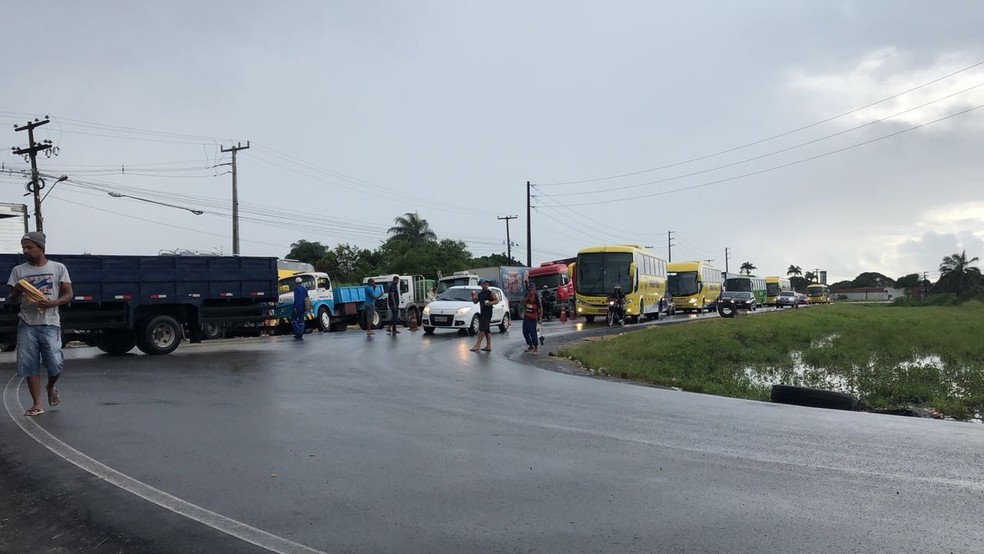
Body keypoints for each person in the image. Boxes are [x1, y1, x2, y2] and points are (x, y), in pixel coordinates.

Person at [6, 232, 73, 417]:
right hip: (27, 322)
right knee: (29, 364)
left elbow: (68, 294)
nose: (25, 251)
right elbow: (10, 300)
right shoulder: (18, 271)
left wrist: (53, 303)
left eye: (29, 247)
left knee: (55, 363)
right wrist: (17, 291)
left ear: (41, 248)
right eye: (23, 248)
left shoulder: (58, 268)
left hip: (50, 322)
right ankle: (37, 404)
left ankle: (50, 386)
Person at [470, 281, 499, 352]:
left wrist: (491, 303)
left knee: (481, 329)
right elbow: (475, 302)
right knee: (487, 330)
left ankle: (477, 345)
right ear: (481, 285)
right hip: (482, 313)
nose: (486, 286)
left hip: (488, 313)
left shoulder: (491, 293)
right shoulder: (480, 294)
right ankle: (488, 346)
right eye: (484, 284)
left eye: (487, 284)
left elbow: (497, 300)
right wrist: (473, 296)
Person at [521, 287, 542, 354]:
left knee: (533, 333)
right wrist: (528, 296)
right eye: (530, 289)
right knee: (525, 332)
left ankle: (536, 347)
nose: (531, 291)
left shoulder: (536, 297)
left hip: (533, 318)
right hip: (526, 317)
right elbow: (522, 302)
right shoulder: (526, 296)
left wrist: (540, 318)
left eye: (533, 289)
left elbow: (540, 308)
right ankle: (530, 345)